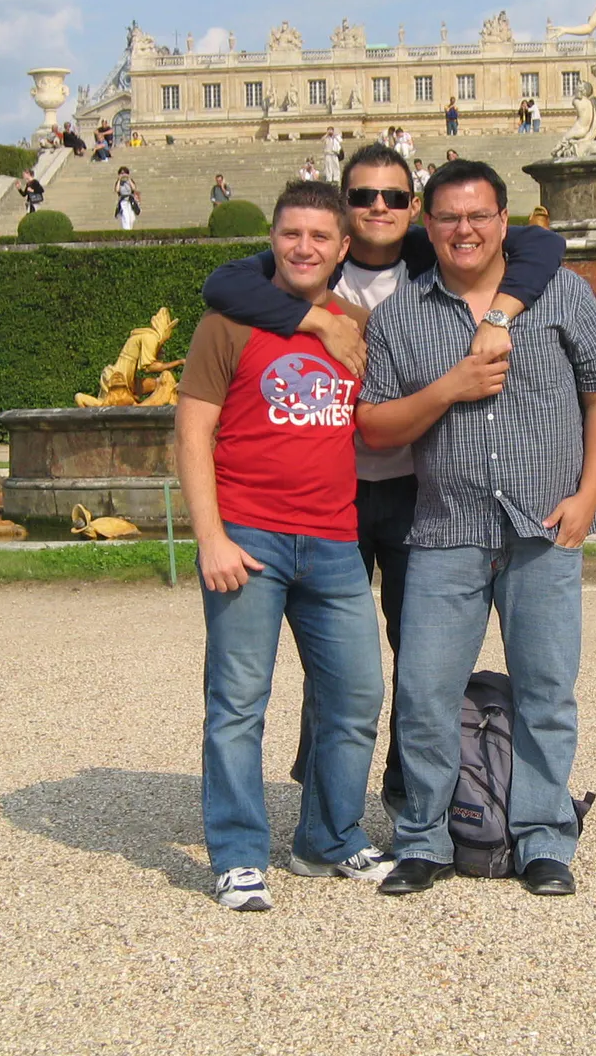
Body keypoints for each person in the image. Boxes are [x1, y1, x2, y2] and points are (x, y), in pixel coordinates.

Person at [201, 145, 565, 816]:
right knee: (330, 656)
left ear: (415, 210)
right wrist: (312, 318)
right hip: (331, 489)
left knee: (414, 648)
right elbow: (218, 286)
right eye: (364, 196)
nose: (378, 208)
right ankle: (324, 789)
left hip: (412, 488)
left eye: (395, 198)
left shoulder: (434, 258)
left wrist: (498, 313)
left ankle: (404, 790)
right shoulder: (300, 267)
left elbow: (544, 244)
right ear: (344, 209)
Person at [356, 159, 596, 898]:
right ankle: (423, 837)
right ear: (428, 225)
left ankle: (543, 835)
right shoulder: (403, 315)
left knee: (547, 688)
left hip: (545, 524)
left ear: (505, 221)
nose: (464, 229)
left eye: (479, 215)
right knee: (424, 691)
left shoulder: (561, 294)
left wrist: (588, 496)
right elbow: (375, 423)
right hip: (447, 526)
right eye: (448, 217)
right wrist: (450, 388)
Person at [176, 179, 390, 912]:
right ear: (272, 237)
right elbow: (192, 431)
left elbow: (375, 420)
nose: (304, 248)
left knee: (358, 695)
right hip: (248, 537)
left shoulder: (354, 323)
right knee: (238, 703)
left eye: (320, 237)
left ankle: (325, 837)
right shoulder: (227, 321)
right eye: (291, 233)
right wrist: (211, 538)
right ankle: (237, 854)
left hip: (333, 539)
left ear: (342, 248)